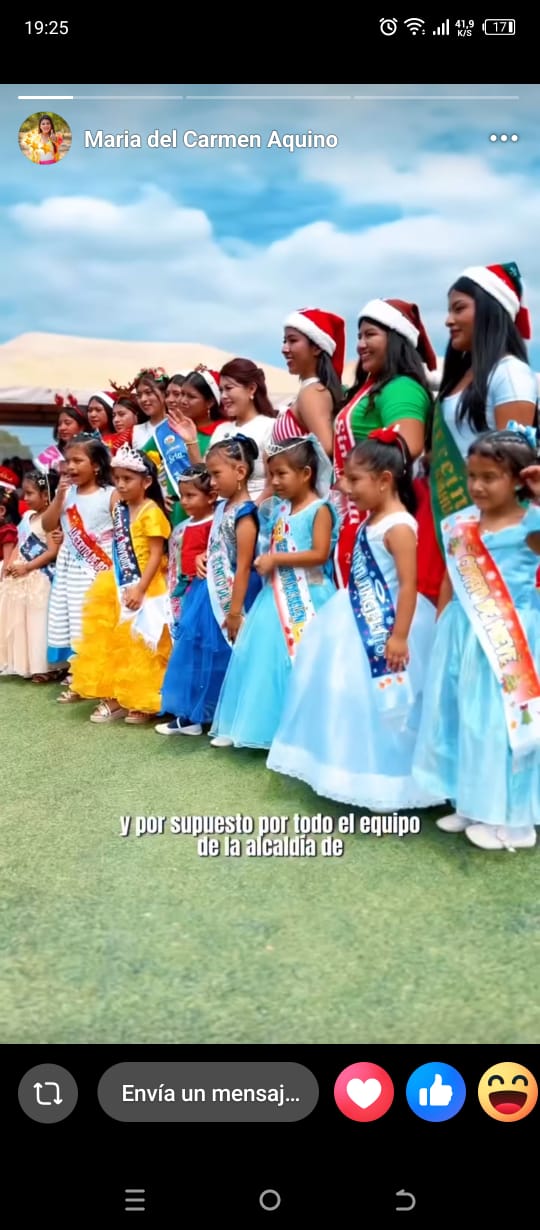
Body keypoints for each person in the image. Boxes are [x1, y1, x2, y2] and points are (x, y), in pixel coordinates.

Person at [267, 430, 439, 810]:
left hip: (389, 623)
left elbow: (408, 586)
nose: (344, 487)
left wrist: (399, 636)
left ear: (384, 480)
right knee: (352, 700)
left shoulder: (399, 526)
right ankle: (352, 769)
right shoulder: (373, 521)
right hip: (353, 619)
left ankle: (394, 780)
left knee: (391, 701)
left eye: (354, 479)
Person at [413, 426, 540, 851]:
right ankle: (473, 800)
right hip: (463, 633)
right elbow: (451, 578)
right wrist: (443, 625)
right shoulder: (461, 524)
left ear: (518, 479)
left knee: (502, 724)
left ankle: (513, 819)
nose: (478, 486)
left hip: (510, 637)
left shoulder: (531, 523)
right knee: (466, 718)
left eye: (490, 477)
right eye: (472, 476)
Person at [209, 436, 338, 749]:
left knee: (303, 661)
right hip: (274, 598)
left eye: (281, 474)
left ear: (306, 474)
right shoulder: (279, 509)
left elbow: (319, 553)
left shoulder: (320, 509)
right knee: (265, 664)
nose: (274, 482)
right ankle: (265, 726)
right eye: (270, 475)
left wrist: (276, 559)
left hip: (311, 595)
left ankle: (306, 729)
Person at [430, 262, 538, 558]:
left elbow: (515, 464)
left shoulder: (509, 373)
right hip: (457, 523)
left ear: (491, 310)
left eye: (459, 309)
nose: (448, 321)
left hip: (496, 536)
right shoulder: (460, 377)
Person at [157, 436, 261, 735]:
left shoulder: (246, 514)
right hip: (208, 591)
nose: (212, 482)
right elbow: (218, 545)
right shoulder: (222, 508)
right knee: (199, 653)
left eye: (216, 474)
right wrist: (204, 555)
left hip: (236, 593)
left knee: (227, 656)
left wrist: (235, 612)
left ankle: (225, 718)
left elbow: (243, 564)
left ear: (240, 472)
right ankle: (194, 715)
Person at [333, 297, 437, 587]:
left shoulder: (400, 387)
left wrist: (354, 477)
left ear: (396, 339)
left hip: (381, 520)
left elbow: (407, 446)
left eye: (370, 335)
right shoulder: (371, 388)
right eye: (359, 336)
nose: (360, 344)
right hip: (359, 514)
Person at [71, 445, 172, 724]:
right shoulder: (121, 510)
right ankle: (118, 696)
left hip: (148, 586)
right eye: (117, 478)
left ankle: (144, 698)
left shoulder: (151, 511)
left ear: (147, 482)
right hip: (119, 584)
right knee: (118, 641)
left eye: (128, 479)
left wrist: (140, 588)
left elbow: (156, 555)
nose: (121, 484)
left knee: (144, 642)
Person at [42, 435, 116, 699]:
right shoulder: (66, 494)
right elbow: (48, 525)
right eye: (67, 461)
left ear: (96, 465)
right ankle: (79, 676)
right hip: (70, 569)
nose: (70, 466)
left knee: (93, 622)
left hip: (99, 569)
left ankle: (98, 678)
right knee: (74, 621)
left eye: (78, 460)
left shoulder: (110, 494)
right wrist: (59, 497)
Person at [0, 470, 63, 681]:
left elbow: (52, 551)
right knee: (20, 621)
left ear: (45, 495)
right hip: (21, 573)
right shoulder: (27, 517)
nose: (25, 498)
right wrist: (9, 565)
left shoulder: (50, 519)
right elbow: (19, 542)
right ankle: (24, 662)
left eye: (30, 493)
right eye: (24, 494)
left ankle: (45, 665)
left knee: (37, 622)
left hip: (39, 576)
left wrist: (27, 568)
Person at [271, 308, 345, 458]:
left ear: (317, 347)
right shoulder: (312, 390)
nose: (284, 349)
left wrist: (275, 456)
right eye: (285, 341)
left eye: (292, 340)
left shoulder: (312, 392)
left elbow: (326, 448)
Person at [208, 359, 276, 501]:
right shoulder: (221, 430)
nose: (223, 396)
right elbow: (208, 476)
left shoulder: (270, 427)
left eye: (229, 388)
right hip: (221, 509)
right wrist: (191, 441)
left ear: (251, 388)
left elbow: (272, 485)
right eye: (221, 390)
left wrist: (250, 510)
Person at [166, 465, 216, 628]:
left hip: (206, 588)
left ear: (211, 497)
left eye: (190, 496)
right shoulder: (182, 527)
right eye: (182, 495)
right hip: (186, 587)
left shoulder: (215, 523)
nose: (184, 501)